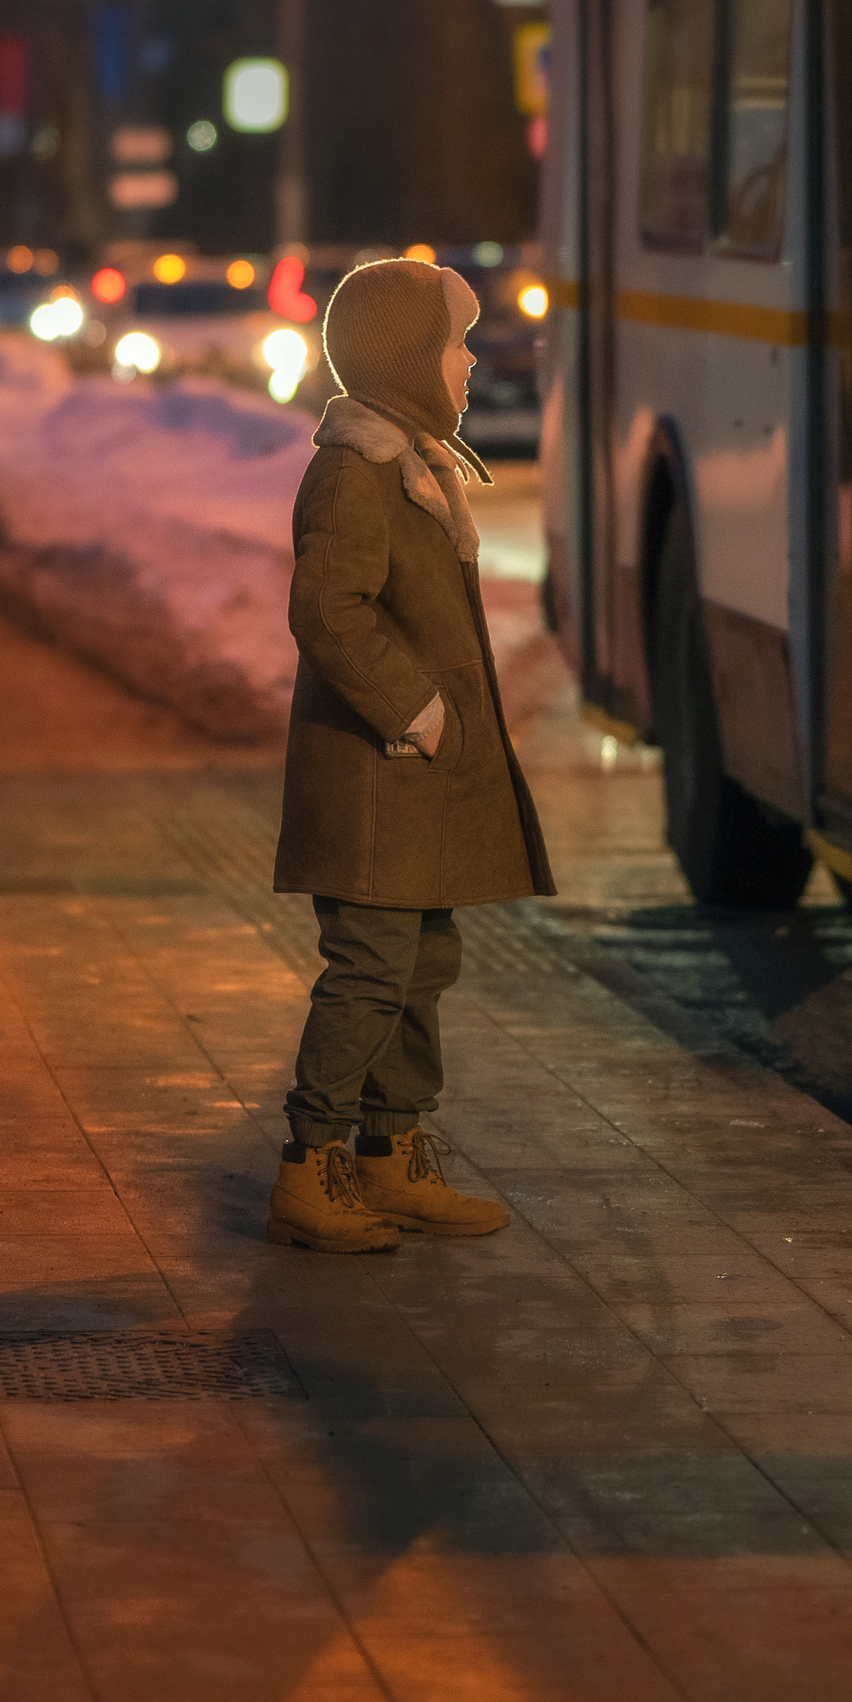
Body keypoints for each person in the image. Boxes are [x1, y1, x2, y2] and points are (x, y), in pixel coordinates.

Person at [267, 255, 553, 1255]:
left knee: (424, 961)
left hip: (411, 783)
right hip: (374, 775)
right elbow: (326, 611)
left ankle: (391, 1151)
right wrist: (421, 713)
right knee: (371, 969)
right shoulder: (355, 471)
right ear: (402, 360)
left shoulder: (416, 463)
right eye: (454, 344)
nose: (470, 362)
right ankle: (310, 1164)